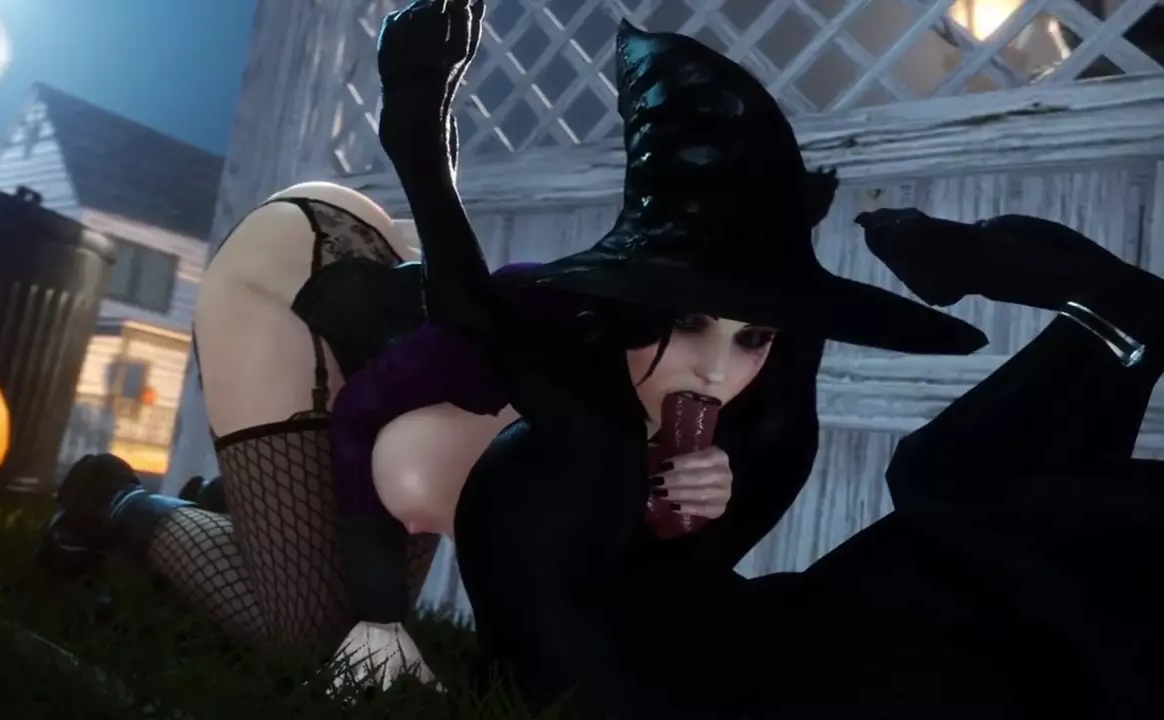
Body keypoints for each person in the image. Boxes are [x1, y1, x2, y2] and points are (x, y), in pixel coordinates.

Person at [376, 3, 1163, 718]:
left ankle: (1113, 315)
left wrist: (718, 493)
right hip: (773, 687)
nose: (717, 372)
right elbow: (469, 308)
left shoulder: (734, 438)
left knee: (953, 491)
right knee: (961, 498)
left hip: (793, 649)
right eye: (687, 322)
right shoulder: (576, 436)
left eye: (752, 337)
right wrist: (417, 123)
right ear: (627, 312)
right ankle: (1112, 313)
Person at [38, 180, 447, 689]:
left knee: (361, 623)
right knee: (310, 638)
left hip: (408, 300)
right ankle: (109, 498)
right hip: (292, 273)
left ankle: (236, 512)